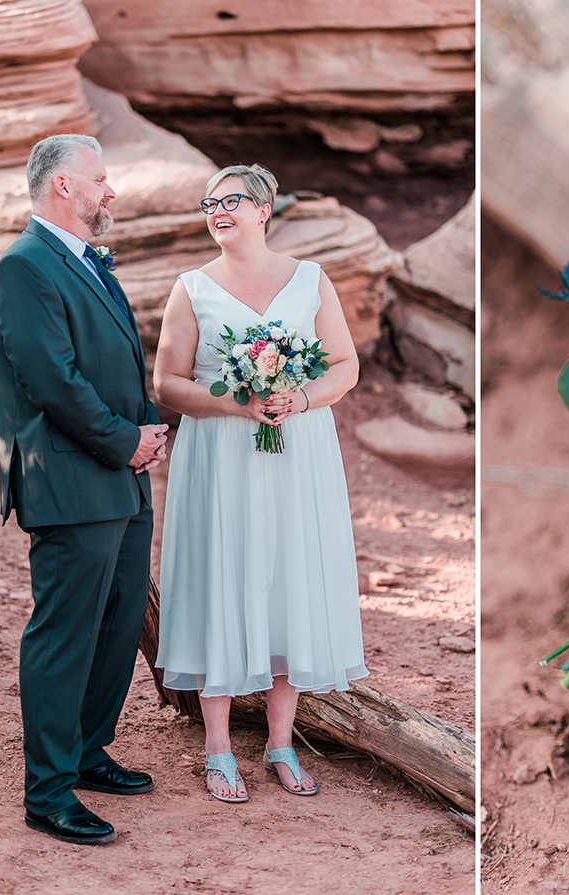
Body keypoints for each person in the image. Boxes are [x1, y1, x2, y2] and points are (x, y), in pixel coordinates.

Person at [153, 164, 368, 802]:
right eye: (209, 203)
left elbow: (345, 364)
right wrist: (237, 403)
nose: (219, 211)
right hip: (220, 454)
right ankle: (218, 748)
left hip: (297, 451)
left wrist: (298, 400)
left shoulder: (310, 280)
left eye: (233, 201)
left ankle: (280, 741)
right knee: (222, 571)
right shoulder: (190, 287)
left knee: (289, 575)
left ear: (265, 210)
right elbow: (166, 383)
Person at [0, 134, 168, 844]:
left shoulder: (85, 263)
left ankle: (89, 750)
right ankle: (49, 790)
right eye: (100, 179)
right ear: (64, 186)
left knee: (120, 621)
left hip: (120, 475)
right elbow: (52, 379)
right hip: (68, 475)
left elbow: (117, 360)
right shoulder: (24, 267)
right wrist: (125, 439)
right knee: (64, 632)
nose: (110, 191)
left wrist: (146, 429)